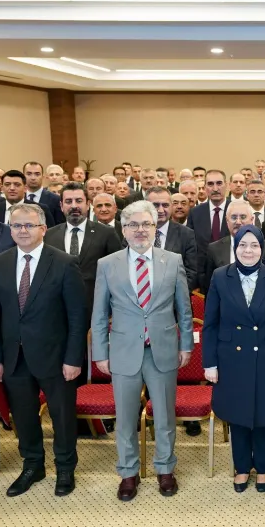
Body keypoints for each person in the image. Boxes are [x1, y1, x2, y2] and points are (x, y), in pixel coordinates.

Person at [0, 203, 88, 498]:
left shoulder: (64, 262)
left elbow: (78, 316)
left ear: (43, 228)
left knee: (62, 416)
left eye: (29, 225)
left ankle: (65, 467)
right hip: (13, 357)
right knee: (24, 415)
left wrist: (73, 358)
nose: (23, 231)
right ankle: (32, 465)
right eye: (17, 225)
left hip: (56, 357)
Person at [92, 201, 193, 501]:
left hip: (163, 349)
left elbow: (184, 309)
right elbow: (99, 314)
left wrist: (186, 344)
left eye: (146, 224)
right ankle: (128, 472)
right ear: (123, 230)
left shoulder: (172, 261)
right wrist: (100, 353)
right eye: (133, 225)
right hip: (123, 351)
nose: (140, 230)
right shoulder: (107, 264)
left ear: (155, 228)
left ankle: (165, 469)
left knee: (164, 416)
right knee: (125, 418)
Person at [204, 225, 265, 493]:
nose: (248, 250)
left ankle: (264, 467)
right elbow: (210, 323)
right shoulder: (221, 276)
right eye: (242, 245)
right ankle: (242, 467)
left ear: (262, 248)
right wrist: (210, 363)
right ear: (235, 248)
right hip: (231, 358)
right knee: (238, 414)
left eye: (254, 245)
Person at [44, 182, 123, 316]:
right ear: (61, 206)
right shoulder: (49, 235)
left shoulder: (106, 233)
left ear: (88, 204)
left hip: (96, 308)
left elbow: (117, 272)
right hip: (58, 310)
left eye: (79, 201)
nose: (74, 206)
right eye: (68, 201)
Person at [199, 200, 265, 293]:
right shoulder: (214, 249)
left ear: (252, 220)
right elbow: (209, 288)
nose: (238, 222)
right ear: (227, 220)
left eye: (243, 217)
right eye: (233, 217)